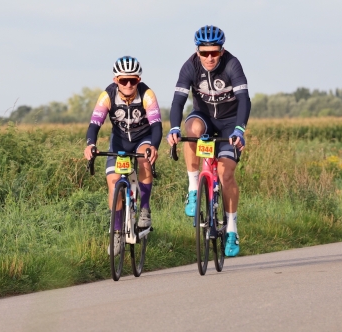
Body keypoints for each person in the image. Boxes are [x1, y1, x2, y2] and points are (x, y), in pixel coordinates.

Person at [166, 25, 251, 257]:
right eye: (205, 53)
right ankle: (194, 187)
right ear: (198, 51)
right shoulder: (189, 66)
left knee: (226, 174)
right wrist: (173, 128)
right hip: (203, 117)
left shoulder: (232, 64)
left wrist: (239, 129)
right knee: (191, 129)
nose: (210, 57)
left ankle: (232, 228)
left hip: (228, 123)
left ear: (222, 51)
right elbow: (177, 102)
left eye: (214, 52)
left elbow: (244, 100)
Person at [84, 56, 162, 256]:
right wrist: (90, 144)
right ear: (115, 80)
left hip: (142, 138)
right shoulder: (107, 96)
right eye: (123, 80)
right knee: (113, 182)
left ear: (139, 80)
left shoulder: (147, 94)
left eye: (133, 80)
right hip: (119, 142)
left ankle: (144, 208)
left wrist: (153, 146)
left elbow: (156, 126)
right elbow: (95, 124)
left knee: (144, 158)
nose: (128, 84)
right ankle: (117, 232)